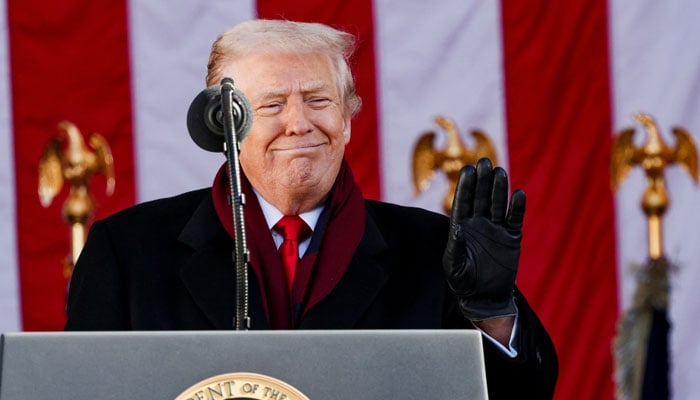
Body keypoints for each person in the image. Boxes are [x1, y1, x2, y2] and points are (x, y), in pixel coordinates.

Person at [65, 19, 558, 399]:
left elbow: (526, 395)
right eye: (273, 104)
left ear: (347, 117)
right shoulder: (127, 252)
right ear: (223, 124)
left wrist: (493, 315)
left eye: (319, 100)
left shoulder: (437, 250)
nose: (299, 123)